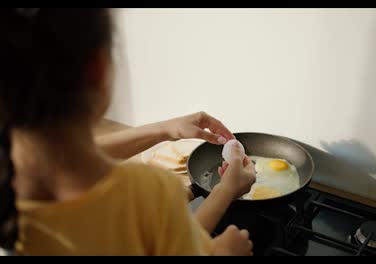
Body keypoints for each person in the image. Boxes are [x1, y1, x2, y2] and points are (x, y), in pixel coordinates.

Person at [0, 8, 256, 256]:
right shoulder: (148, 192)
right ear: (97, 67)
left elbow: (64, 158)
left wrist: (163, 130)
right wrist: (221, 246)